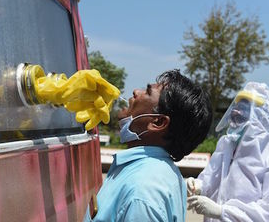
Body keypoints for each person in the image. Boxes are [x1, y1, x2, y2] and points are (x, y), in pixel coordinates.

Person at [83, 69, 212, 221]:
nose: (136, 91)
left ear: (158, 122)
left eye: (147, 92)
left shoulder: (142, 191)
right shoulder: (159, 171)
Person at [187, 82, 269, 221]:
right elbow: (212, 178)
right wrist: (199, 185)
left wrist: (223, 212)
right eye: (236, 106)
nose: (235, 111)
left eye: (245, 107)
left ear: (261, 114)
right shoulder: (227, 145)